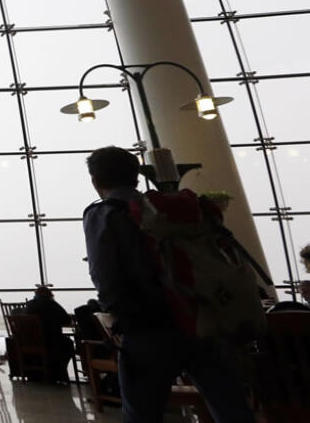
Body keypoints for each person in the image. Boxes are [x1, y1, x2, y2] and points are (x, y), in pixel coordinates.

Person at [82, 146, 254, 423]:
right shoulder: (175, 209)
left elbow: (106, 275)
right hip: (204, 319)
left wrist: (120, 319)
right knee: (230, 407)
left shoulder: (105, 213)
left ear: (95, 181)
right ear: (137, 177)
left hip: (149, 327)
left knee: (142, 413)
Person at [20, 286, 73, 383]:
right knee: (69, 344)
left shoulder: (29, 305)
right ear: (50, 295)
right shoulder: (52, 304)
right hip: (50, 342)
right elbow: (67, 320)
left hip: (30, 342)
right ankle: (59, 372)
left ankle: (39, 373)